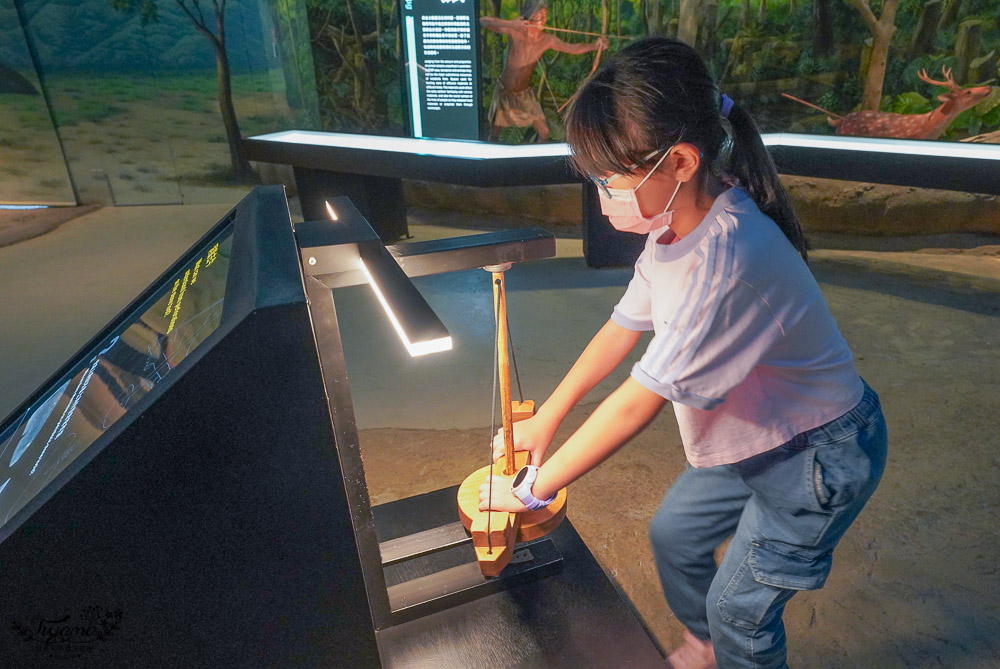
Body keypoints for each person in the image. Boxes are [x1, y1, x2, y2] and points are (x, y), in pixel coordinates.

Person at [478, 37, 888, 669]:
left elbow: (637, 402)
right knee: (675, 536)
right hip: (749, 435)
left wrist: (536, 490)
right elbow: (622, 326)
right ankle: (710, 645)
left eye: (609, 179)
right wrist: (547, 416)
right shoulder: (676, 226)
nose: (601, 193)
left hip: (817, 453)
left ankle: (728, 642)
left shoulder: (729, 261)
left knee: (741, 609)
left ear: (679, 162)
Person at [480, 0, 607, 142]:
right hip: (505, 92)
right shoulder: (515, 31)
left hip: (525, 95)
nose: (543, 18)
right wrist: (511, 23)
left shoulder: (547, 39)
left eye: (545, 14)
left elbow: (572, 48)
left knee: (544, 132)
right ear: (530, 14)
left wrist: (595, 46)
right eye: (540, 14)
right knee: (494, 133)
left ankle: (535, 161)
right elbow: (483, 21)